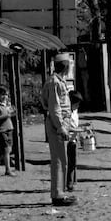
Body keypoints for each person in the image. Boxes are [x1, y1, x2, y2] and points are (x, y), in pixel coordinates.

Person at [39, 51, 77, 206]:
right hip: (57, 123)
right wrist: (61, 127)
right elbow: (55, 107)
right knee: (59, 160)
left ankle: (59, 192)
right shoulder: (55, 82)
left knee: (62, 159)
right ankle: (58, 194)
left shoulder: (57, 81)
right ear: (66, 66)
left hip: (59, 121)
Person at [66, 90, 83, 192]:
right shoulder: (67, 113)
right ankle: (69, 183)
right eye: (76, 104)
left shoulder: (75, 112)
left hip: (74, 139)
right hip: (67, 139)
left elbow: (75, 125)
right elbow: (67, 128)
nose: (78, 106)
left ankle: (73, 181)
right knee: (70, 162)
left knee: (74, 161)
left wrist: (82, 127)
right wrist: (80, 130)